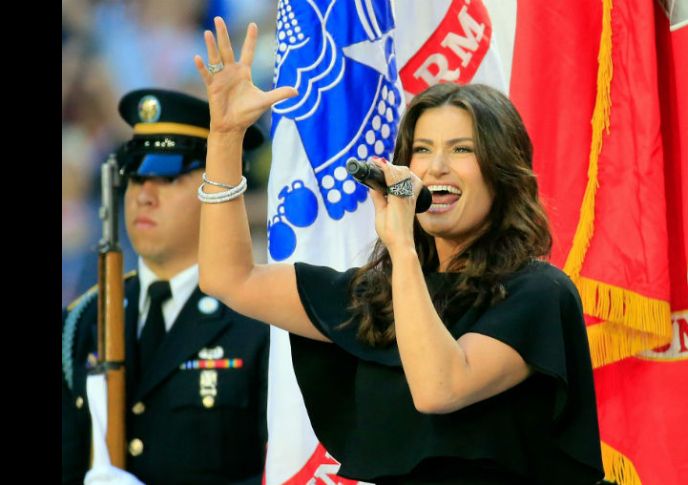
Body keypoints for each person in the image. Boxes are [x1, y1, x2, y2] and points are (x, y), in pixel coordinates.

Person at [194, 17, 605, 485]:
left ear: (503, 171)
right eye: (422, 149)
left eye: (462, 149)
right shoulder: (379, 295)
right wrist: (225, 139)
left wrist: (403, 244)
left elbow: (438, 387)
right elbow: (229, 278)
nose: (436, 167)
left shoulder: (537, 293)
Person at [61, 88, 270, 485]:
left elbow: (281, 472)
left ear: (221, 186)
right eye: (136, 176)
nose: (144, 195)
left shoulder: (259, 317)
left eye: (168, 176)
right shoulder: (83, 322)